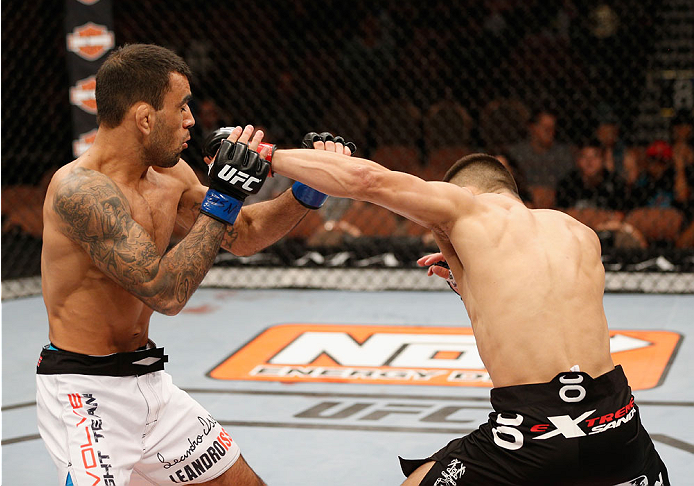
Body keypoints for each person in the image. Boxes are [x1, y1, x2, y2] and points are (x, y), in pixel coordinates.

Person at [36, 44, 350, 486]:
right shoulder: (80, 191)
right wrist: (224, 196)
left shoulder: (169, 176)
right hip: (87, 393)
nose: (191, 119)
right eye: (181, 106)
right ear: (145, 118)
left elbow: (243, 233)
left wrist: (307, 191)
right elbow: (163, 291)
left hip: (150, 384)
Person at [267, 142, 670, 484]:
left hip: (532, 435)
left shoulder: (466, 207)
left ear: (467, 190)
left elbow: (368, 181)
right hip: (620, 427)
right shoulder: (578, 232)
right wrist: (469, 277)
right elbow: (542, 313)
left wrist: (264, 154)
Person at [507, 107, 574, 208]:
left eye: (552, 128)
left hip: (556, 203)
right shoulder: (517, 153)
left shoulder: (563, 154)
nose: (549, 132)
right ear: (532, 127)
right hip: (523, 201)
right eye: (545, 128)